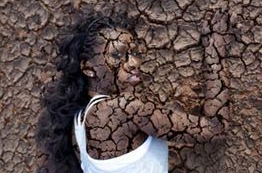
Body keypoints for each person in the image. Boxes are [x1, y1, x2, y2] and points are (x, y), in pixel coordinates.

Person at [36, 13, 225, 173]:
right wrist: (215, 52)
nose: (134, 63)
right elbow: (214, 130)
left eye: (133, 53)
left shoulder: (77, 124)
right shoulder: (126, 108)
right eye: (117, 55)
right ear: (88, 68)